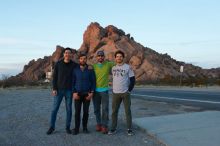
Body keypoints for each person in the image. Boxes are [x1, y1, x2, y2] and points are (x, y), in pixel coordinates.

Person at [47, 48, 77, 135]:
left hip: (69, 90)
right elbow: (55, 77)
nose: (67, 54)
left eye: (69, 53)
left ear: (71, 55)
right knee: (54, 109)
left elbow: (77, 76)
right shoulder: (58, 64)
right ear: (64, 54)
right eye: (66, 53)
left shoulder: (74, 65)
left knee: (69, 110)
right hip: (59, 90)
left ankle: (67, 127)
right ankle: (52, 127)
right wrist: (54, 88)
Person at [108, 50, 135, 136]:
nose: (119, 58)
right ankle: (113, 128)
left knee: (127, 111)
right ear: (115, 58)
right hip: (115, 93)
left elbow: (132, 79)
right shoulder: (113, 68)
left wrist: (129, 90)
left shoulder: (128, 67)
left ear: (123, 58)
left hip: (125, 93)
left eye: (120, 56)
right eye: (117, 56)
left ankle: (129, 129)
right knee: (114, 112)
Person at [72, 52, 96, 135]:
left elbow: (93, 82)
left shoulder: (90, 70)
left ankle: (85, 128)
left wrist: (92, 93)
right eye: (81, 58)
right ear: (79, 59)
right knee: (77, 112)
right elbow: (72, 82)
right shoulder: (75, 70)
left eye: (84, 59)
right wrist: (74, 93)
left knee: (86, 112)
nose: (83, 60)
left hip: (87, 94)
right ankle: (77, 128)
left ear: (86, 60)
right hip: (77, 94)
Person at [92, 50, 114, 134]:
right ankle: (98, 124)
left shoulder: (108, 64)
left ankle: (104, 125)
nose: (100, 57)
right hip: (95, 91)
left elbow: (118, 65)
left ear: (104, 57)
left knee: (105, 109)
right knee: (96, 109)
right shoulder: (94, 66)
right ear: (97, 57)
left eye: (102, 56)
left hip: (104, 90)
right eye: (99, 56)